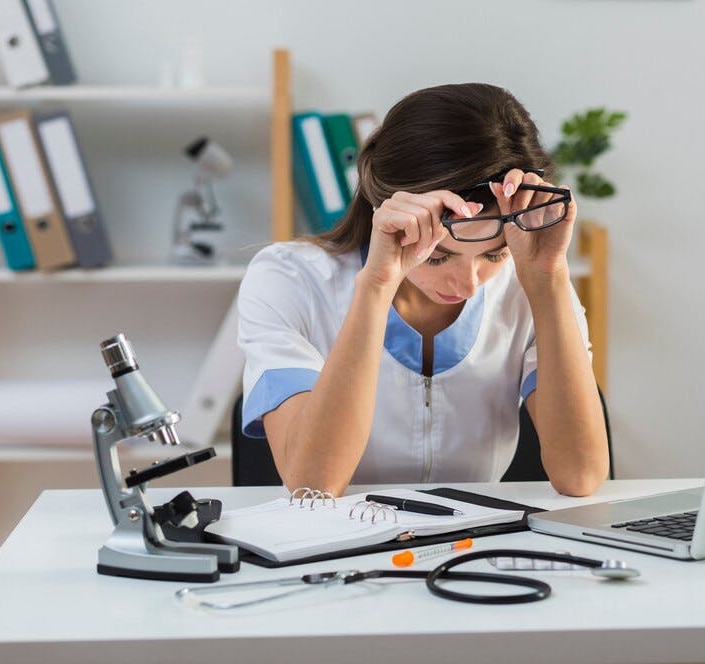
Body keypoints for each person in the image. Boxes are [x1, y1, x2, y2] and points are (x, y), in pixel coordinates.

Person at [238, 83, 608, 497]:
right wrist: (377, 287)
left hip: (472, 547)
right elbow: (313, 486)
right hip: (335, 552)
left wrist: (548, 280)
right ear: (388, 213)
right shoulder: (288, 279)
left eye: (494, 255)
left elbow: (581, 476)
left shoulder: (532, 281)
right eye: (437, 257)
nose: (468, 284)